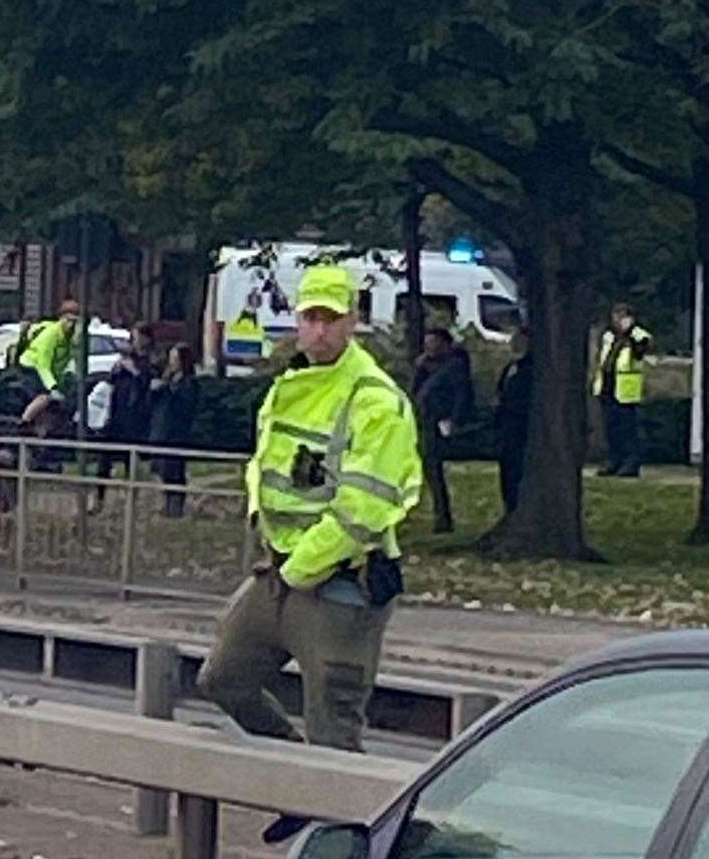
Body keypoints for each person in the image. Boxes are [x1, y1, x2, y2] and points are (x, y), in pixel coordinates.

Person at [197, 264, 420, 843]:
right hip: (280, 571)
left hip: (341, 587)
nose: (318, 330)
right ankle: (299, 788)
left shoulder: (376, 400)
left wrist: (298, 568)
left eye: (330, 318)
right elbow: (265, 464)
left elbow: (365, 511)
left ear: (352, 322)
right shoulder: (288, 384)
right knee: (222, 678)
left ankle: (343, 841)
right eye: (309, 318)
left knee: (335, 736)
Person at [411, 327, 473, 534]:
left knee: (434, 467)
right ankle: (440, 515)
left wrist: (454, 420)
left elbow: (461, 395)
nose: (430, 347)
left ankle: (443, 517)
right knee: (430, 469)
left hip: (441, 423)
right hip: (426, 422)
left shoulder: (454, 367)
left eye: (434, 343)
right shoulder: (427, 368)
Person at [92, 324, 156, 509]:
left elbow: (147, 383)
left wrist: (134, 371)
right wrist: (117, 370)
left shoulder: (151, 360)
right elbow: (112, 383)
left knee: (131, 461)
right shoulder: (127, 358)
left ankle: (132, 502)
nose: (133, 342)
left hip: (134, 419)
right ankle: (99, 498)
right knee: (104, 460)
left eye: (136, 338)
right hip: (117, 415)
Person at [593, 303, 651, 478]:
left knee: (628, 430)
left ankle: (630, 464)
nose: (617, 319)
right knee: (612, 430)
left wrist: (630, 331)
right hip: (608, 389)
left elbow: (641, 350)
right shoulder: (609, 336)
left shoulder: (639, 336)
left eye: (622, 316)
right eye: (615, 315)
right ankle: (614, 461)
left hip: (626, 391)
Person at [149, 344, 200, 517]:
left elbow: (185, 404)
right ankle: (166, 501)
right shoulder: (169, 379)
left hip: (177, 433)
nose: (172, 363)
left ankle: (176, 504)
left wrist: (167, 390)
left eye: (175, 359)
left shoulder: (188, 382)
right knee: (163, 469)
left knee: (175, 470)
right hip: (163, 430)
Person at [16, 300, 80, 424]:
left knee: (57, 399)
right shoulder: (51, 334)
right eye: (67, 320)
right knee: (44, 396)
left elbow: (64, 361)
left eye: (74, 321)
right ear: (61, 318)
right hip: (31, 366)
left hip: (46, 370)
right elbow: (42, 363)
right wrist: (52, 386)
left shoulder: (69, 337)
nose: (71, 324)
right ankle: (24, 422)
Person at [495, 324, 534, 516]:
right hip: (507, 426)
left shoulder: (532, 369)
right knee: (507, 469)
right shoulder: (511, 367)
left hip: (523, 426)